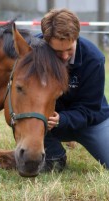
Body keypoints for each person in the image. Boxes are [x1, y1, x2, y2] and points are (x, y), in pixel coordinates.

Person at [36, 8, 109, 171]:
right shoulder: (32, 51)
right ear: (45, 41)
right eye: (57, 51)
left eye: (69, 49)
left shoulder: (94, 59)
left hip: (90, 122)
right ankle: (55, 155)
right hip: (46, 123)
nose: (64, 56)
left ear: (76, 38)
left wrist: (63, 119)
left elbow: (90, 108)